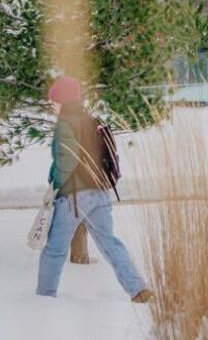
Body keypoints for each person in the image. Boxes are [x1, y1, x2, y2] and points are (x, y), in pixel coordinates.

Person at [36, 76, 153, 302]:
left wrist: (55, 183)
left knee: (55, 249)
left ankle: (43, 298)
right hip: (100, 193)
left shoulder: (65, 124)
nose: (52, 104)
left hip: (74, 198)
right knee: (110, 243)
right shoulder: (92, 120)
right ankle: (138, 289)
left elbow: (66, 162)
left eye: (54, 99)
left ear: (62, 99)